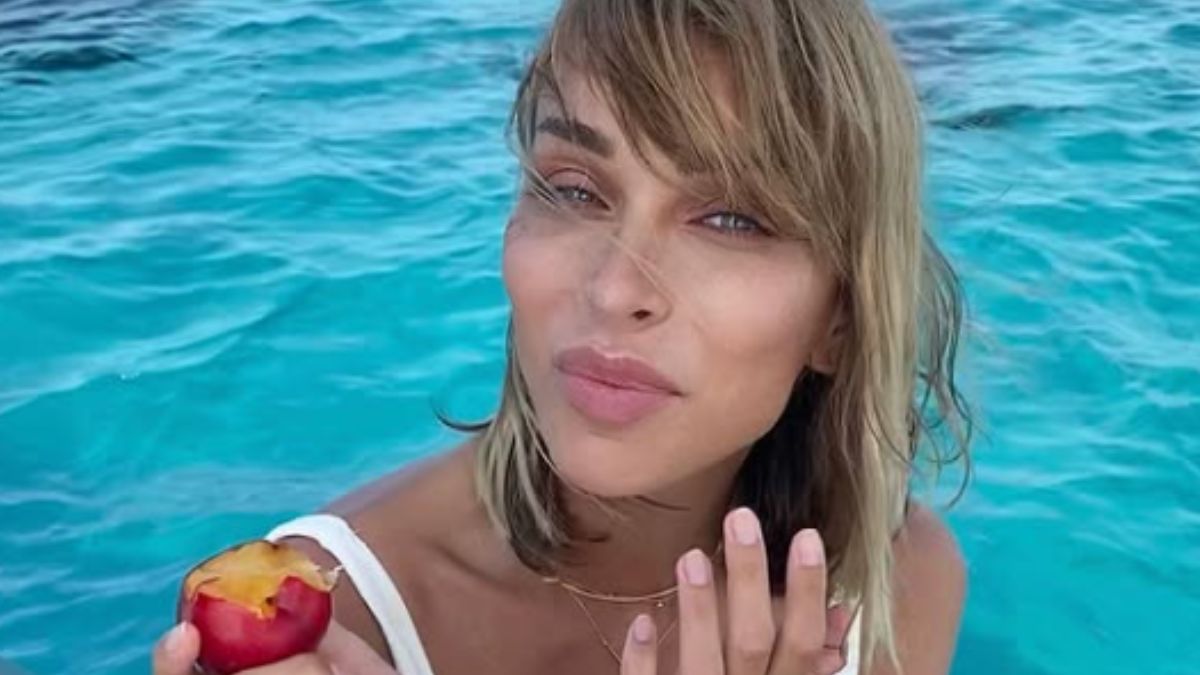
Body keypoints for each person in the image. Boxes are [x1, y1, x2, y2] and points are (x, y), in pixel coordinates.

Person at [153, 0, 971, 673]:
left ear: (839, 318)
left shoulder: (896, 586)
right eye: (575, 190)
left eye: (730, 218)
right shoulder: (333, 624)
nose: (615, 289)